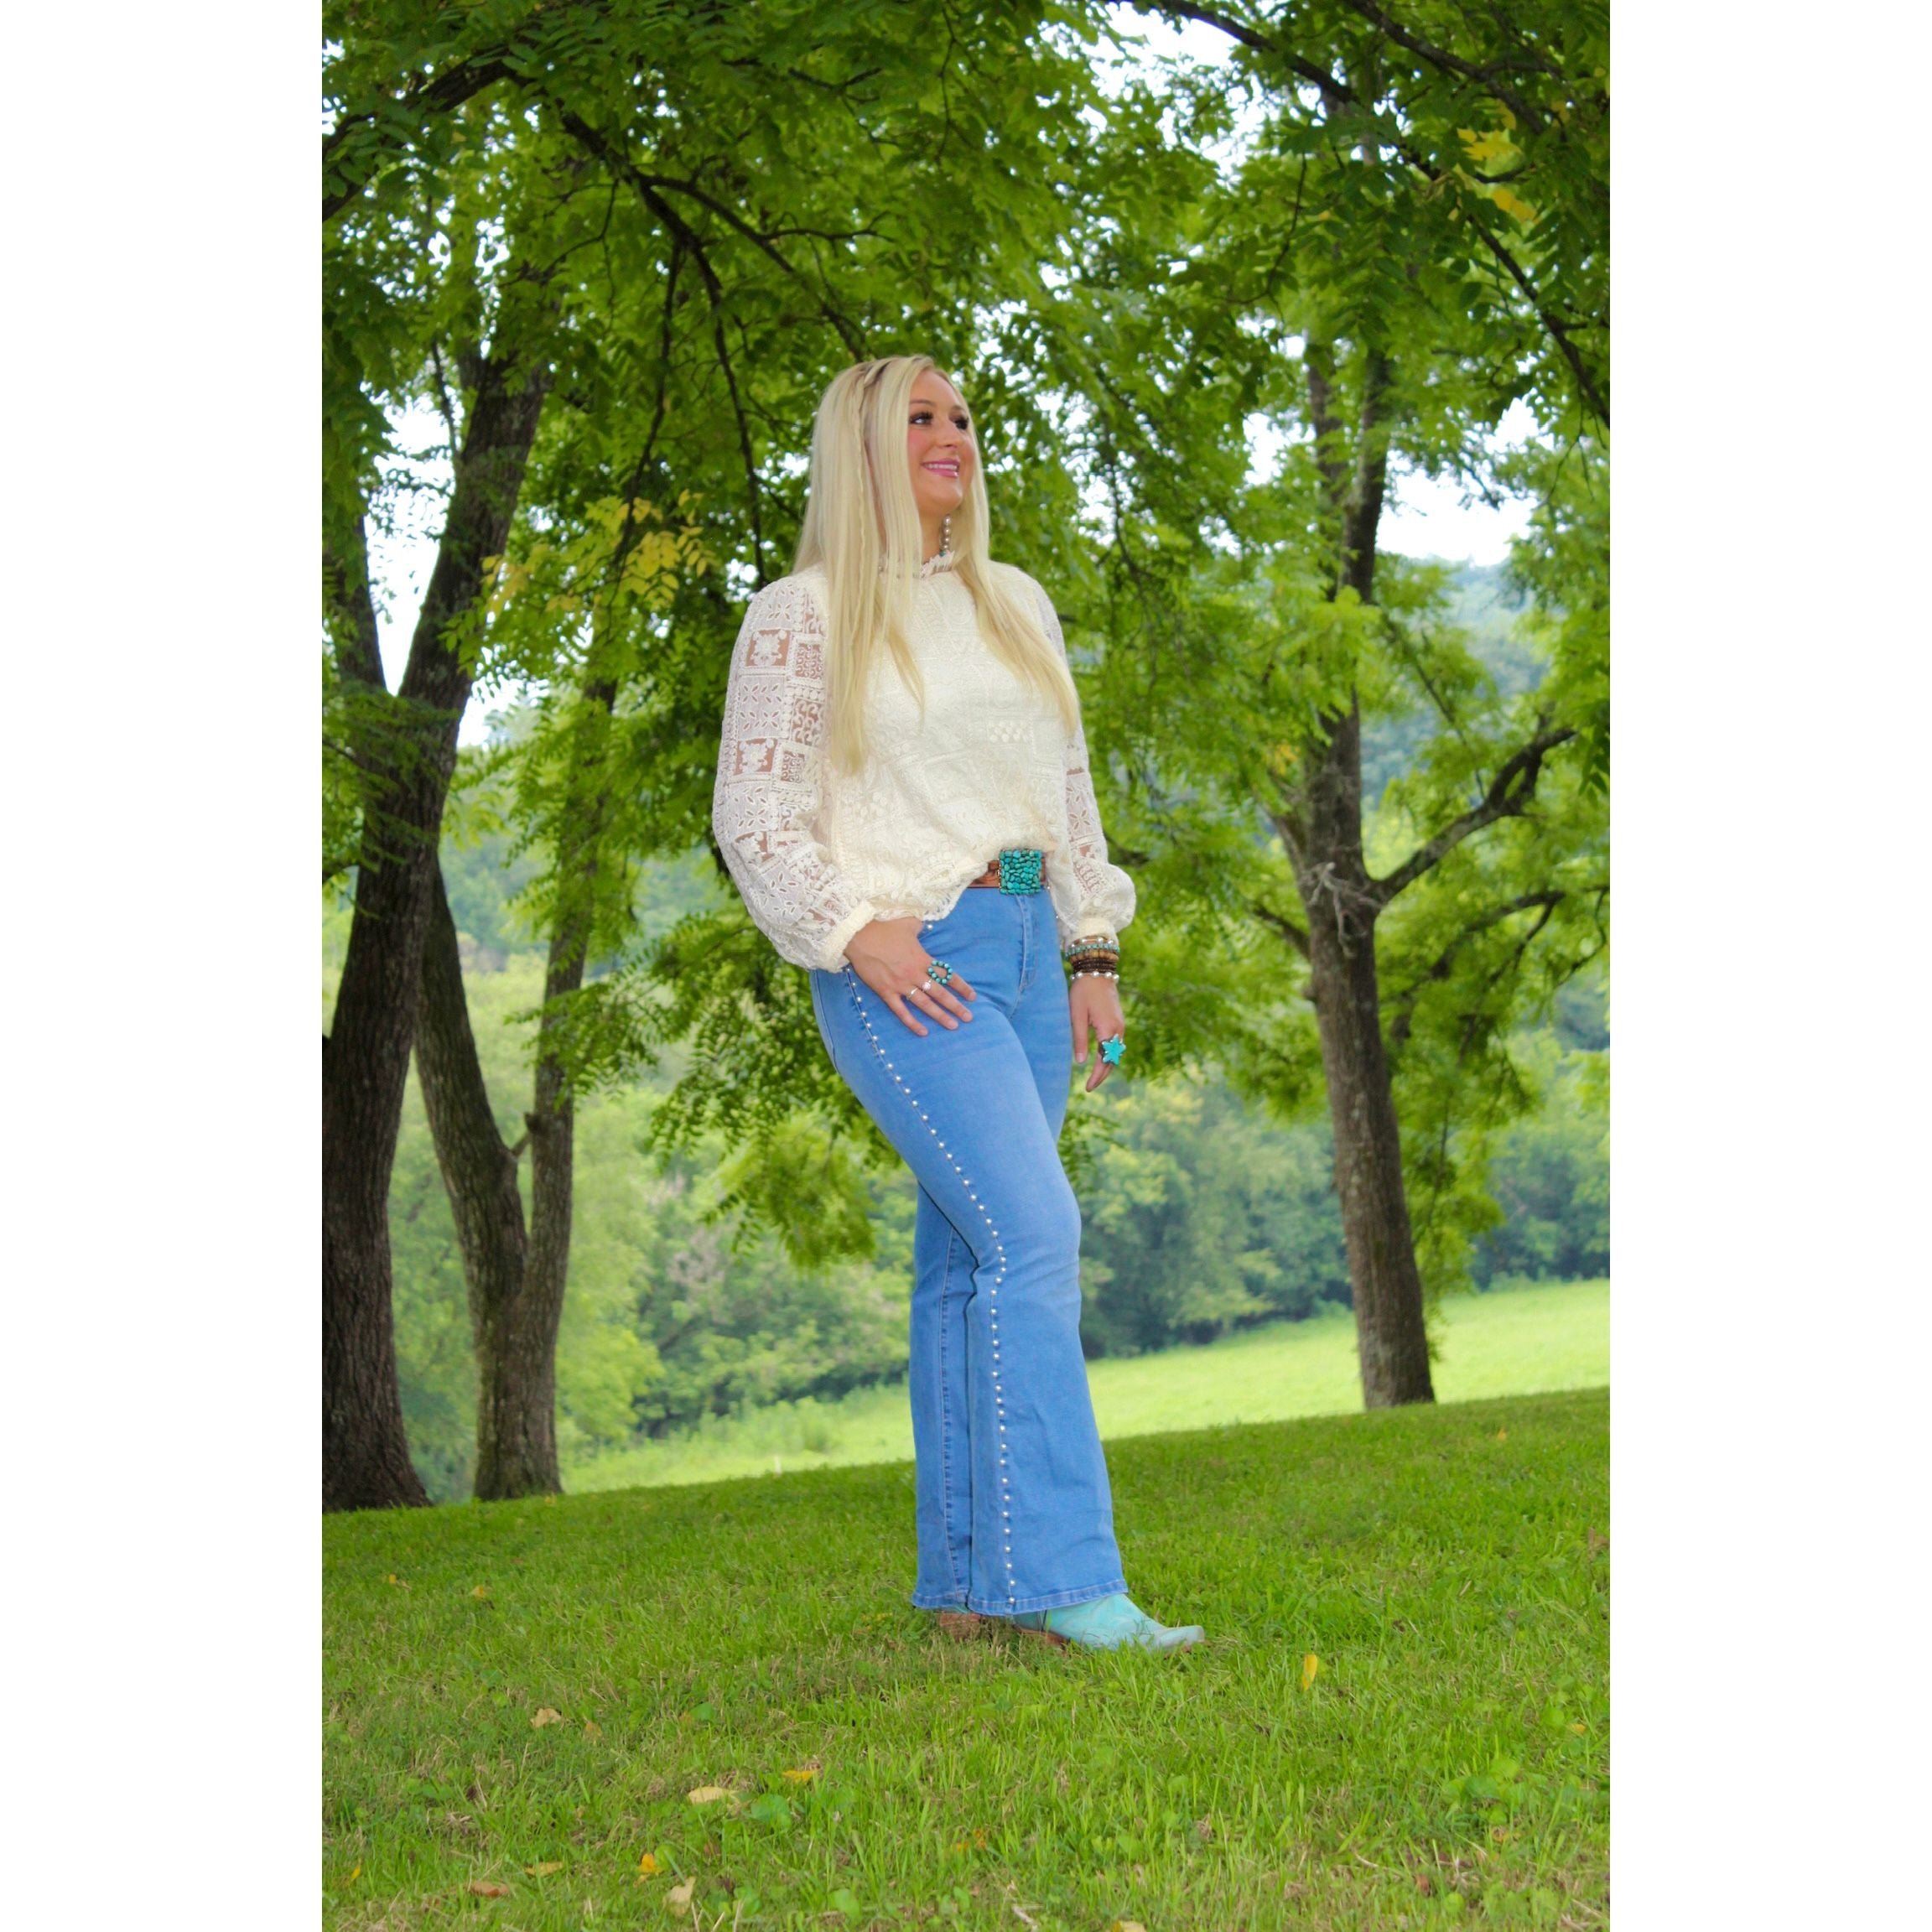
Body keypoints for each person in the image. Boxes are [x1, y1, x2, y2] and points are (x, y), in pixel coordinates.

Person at [710, 354, 1202, 1654]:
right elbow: (753, 811)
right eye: (920, 417)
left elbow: (1069, 790)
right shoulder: (802, 615)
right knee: (1034, 1237)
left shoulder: (1015, 603)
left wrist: (1091, 950)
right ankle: (1071, 1582)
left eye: (963, 417)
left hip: (1030, 948)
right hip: (910, 961)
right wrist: (849, 931)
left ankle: (973, 1588)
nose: (953, 436)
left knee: (967, 1267)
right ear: (865, 447)